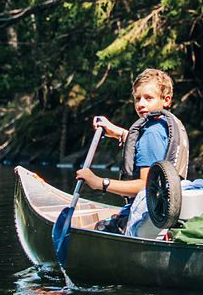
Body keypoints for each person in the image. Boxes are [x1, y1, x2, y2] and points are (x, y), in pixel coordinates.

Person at [76, 69, 189, 232]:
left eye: (148, 98)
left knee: (93, 228)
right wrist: (118, 132)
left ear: (166, 100)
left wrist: (99, 183)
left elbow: (144, 186)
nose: (141, 104)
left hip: (149, 216)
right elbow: (150, 145)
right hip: (164, 212)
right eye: (137, 98)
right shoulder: (163, 125)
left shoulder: (150, 133)